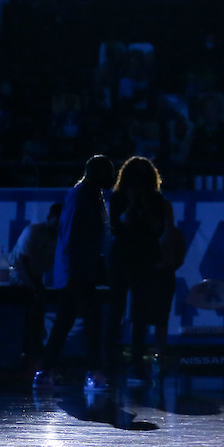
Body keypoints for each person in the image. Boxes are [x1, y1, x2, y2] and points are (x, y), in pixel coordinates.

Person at [36, 155, 116, 391]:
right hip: (78, 272)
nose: (112, 178)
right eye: (108, 172)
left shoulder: (90, 195)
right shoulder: (81, 196)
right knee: (92, 321)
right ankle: (94, 373)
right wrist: (75, 272)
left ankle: (44, 371)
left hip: (80, 271)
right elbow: (72, 237)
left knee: (64, 322)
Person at [106, 156, 186, 384]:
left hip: (144, 258)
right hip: (123, 257)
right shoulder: (119, 197)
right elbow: (117, 225)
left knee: (140, 314)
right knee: (117, 310)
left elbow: (158, 228)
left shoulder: (157, 200)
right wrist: (132, 205)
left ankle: (136, 365)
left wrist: (146, 207)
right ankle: (111, 363)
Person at [10, 203, 63, 365]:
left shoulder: (63, 237)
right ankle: (27, 354)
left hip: (37, 278)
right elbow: (21, 265)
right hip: (17, 277)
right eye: (56, 222)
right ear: (49, 219)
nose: (59, 227)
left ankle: (35, 354)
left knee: (38, 316)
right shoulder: (32, 232)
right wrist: (35, 288)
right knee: (29, 315)